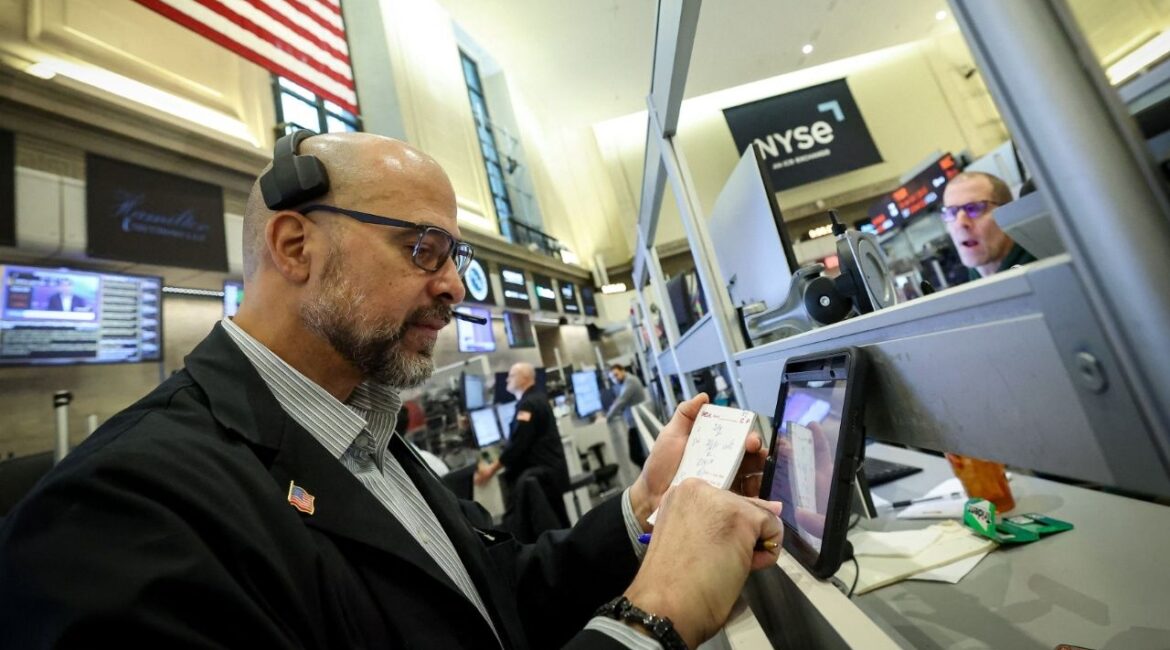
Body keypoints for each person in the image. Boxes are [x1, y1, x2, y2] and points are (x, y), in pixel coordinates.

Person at [0, 131, 784, 650]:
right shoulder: (122, 510)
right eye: (422, 249)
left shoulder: (369, 435)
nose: (453, 289)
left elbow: (495, 599)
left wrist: (645, 509)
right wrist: (653, 618)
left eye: (456, 258)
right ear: (296, 244)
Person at [475, 362, 570, 527]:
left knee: (551, 524)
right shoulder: (536, 398)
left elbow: (519, 443)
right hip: (550, 472)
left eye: (511, 376)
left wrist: (492, 469)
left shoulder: (528, 405)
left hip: (542, 477)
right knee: (558, 520)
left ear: (524, 378)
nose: (506, 381)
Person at [941, 171, 1037, 280]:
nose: (960, 223)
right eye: (951, 212)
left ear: (1007, 212)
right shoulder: (974, 280)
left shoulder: (1043, 264)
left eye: (974, 208)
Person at [602, 364, 649, 478]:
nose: (615, 379)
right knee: (638, 455)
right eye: (612, 378)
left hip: (636, 424)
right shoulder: (625, 383)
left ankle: (649, 476)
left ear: (623, 370)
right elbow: (621, 400)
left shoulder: (630, 381)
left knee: (635, 456)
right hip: (634, 424)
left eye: (616, 375)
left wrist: (608, 417)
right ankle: (648, 476)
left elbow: (621, 401)